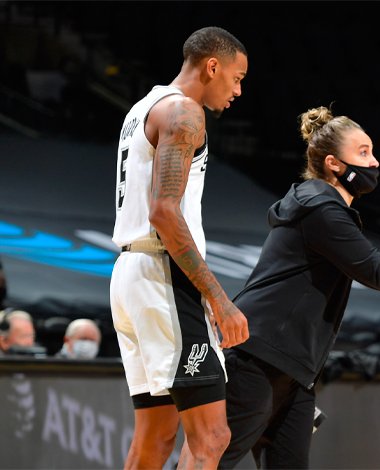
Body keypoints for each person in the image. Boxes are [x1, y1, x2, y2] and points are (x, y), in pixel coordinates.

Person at [218, 106, 380, 469]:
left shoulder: (320, 206)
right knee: (208, 462)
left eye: (372, 152)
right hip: (259, 357)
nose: (374, 163)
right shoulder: (321, 208)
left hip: (293, 368)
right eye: (363, 153)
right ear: (333, 164)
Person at [109, 26, 249, 469]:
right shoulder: (185, 112)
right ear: (213, 66)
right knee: (212, 436)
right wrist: (219, 298)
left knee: (155, 437)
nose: (238, 90)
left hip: (130, 275)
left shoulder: (143, 106)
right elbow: (165, 213)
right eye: (237, 77)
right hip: (162, 275)